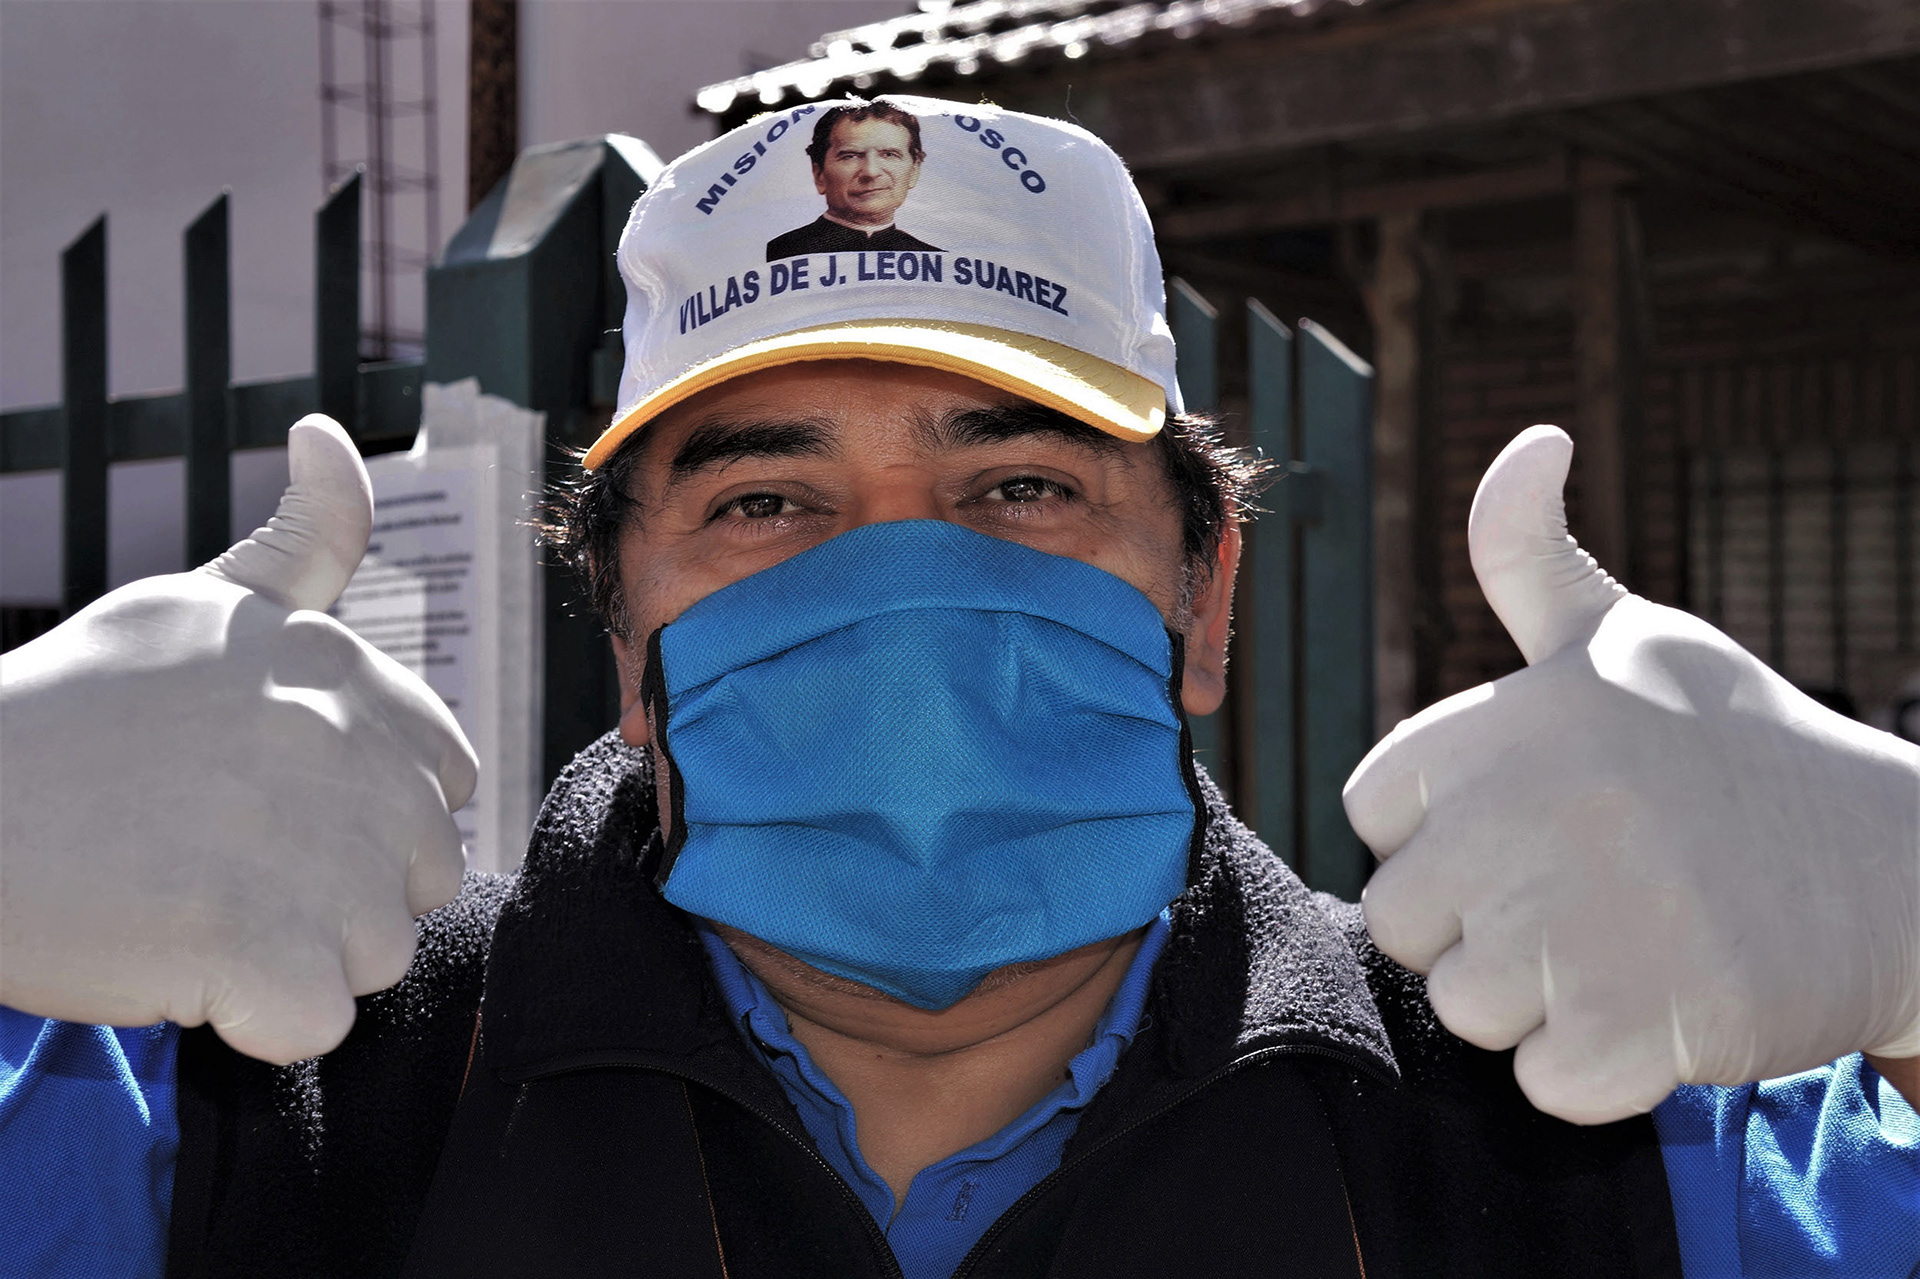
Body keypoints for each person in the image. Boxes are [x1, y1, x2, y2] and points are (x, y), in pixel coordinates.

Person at [1, 95, 1916, 1278]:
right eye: (767, 501)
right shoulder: (248, 1114)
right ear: (630, 650)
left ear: (1206, 597)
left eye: (1020, 489)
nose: (902, 581)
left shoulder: (1601, 1132)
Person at [766, 101, 941, 260]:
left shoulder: (935, 260)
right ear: (819, 174)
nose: (871, 172)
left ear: (914, 170)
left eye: (889, 155)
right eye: (850, 156)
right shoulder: (783, 253)